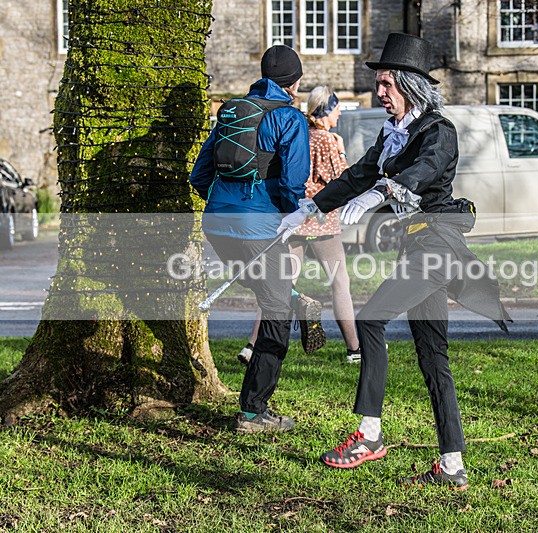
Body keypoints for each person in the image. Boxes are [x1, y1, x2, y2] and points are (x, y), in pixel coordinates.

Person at [279, 33, 511, 489]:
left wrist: (382, 192)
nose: (379, 93)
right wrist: (310, 208)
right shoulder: (393, 134)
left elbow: (421, 172)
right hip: (416, 246)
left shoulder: (437, 131)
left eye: (386, 84)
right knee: (432, 358)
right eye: (379, 84)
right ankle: (452, 466)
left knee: (370, 320)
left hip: (438, 248)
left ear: (410, 84)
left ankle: (368, 434)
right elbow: (357, 175)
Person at [190, 45, 309, 433]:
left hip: (217, 223)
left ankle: (288, 293)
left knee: (263, 285)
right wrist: (288, 218)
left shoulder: (231, 111)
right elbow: (293, 184)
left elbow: (199, 176)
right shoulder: (289, 117)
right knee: (276, 314)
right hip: (257, 227)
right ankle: (254, 412)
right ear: (295, 83)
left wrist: (226, 201)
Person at [288, 86, 361, 362]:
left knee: (283, 285)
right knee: (340, 283)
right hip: (322, 222)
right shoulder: (328, 140)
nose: (340, 112)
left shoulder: (300, 136)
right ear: (326, 110)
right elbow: (341, 182)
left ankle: (253, 345)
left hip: (295, 219)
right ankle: (354, 349)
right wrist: (342, 151)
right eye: (337, 107)